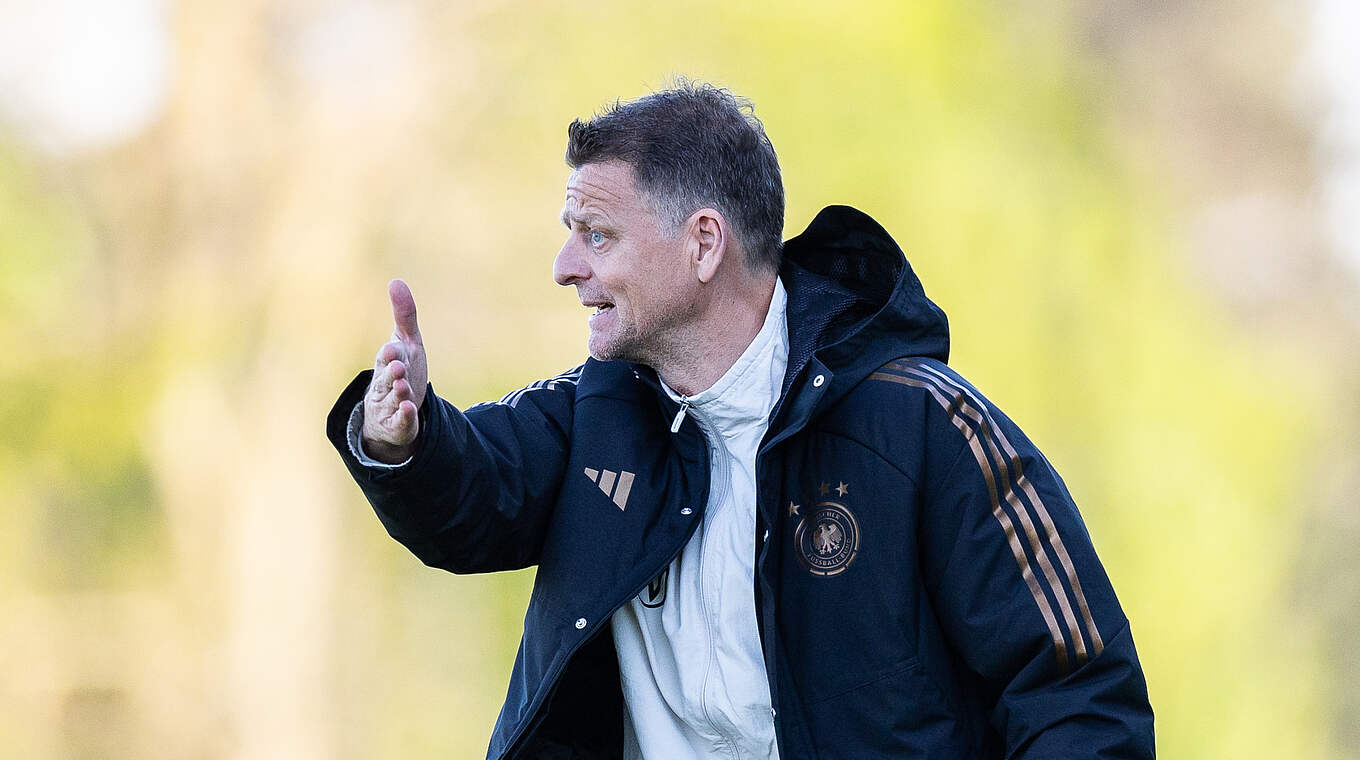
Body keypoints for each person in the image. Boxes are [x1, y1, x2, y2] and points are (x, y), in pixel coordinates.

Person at [327, 82, 1155, 759]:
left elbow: (1078, 695)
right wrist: (403, 438)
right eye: (570, 234)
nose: (564, 267)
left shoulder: (926, 427)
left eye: (598, 235)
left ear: (703, 244)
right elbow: (474, 493)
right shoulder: (593, 415)